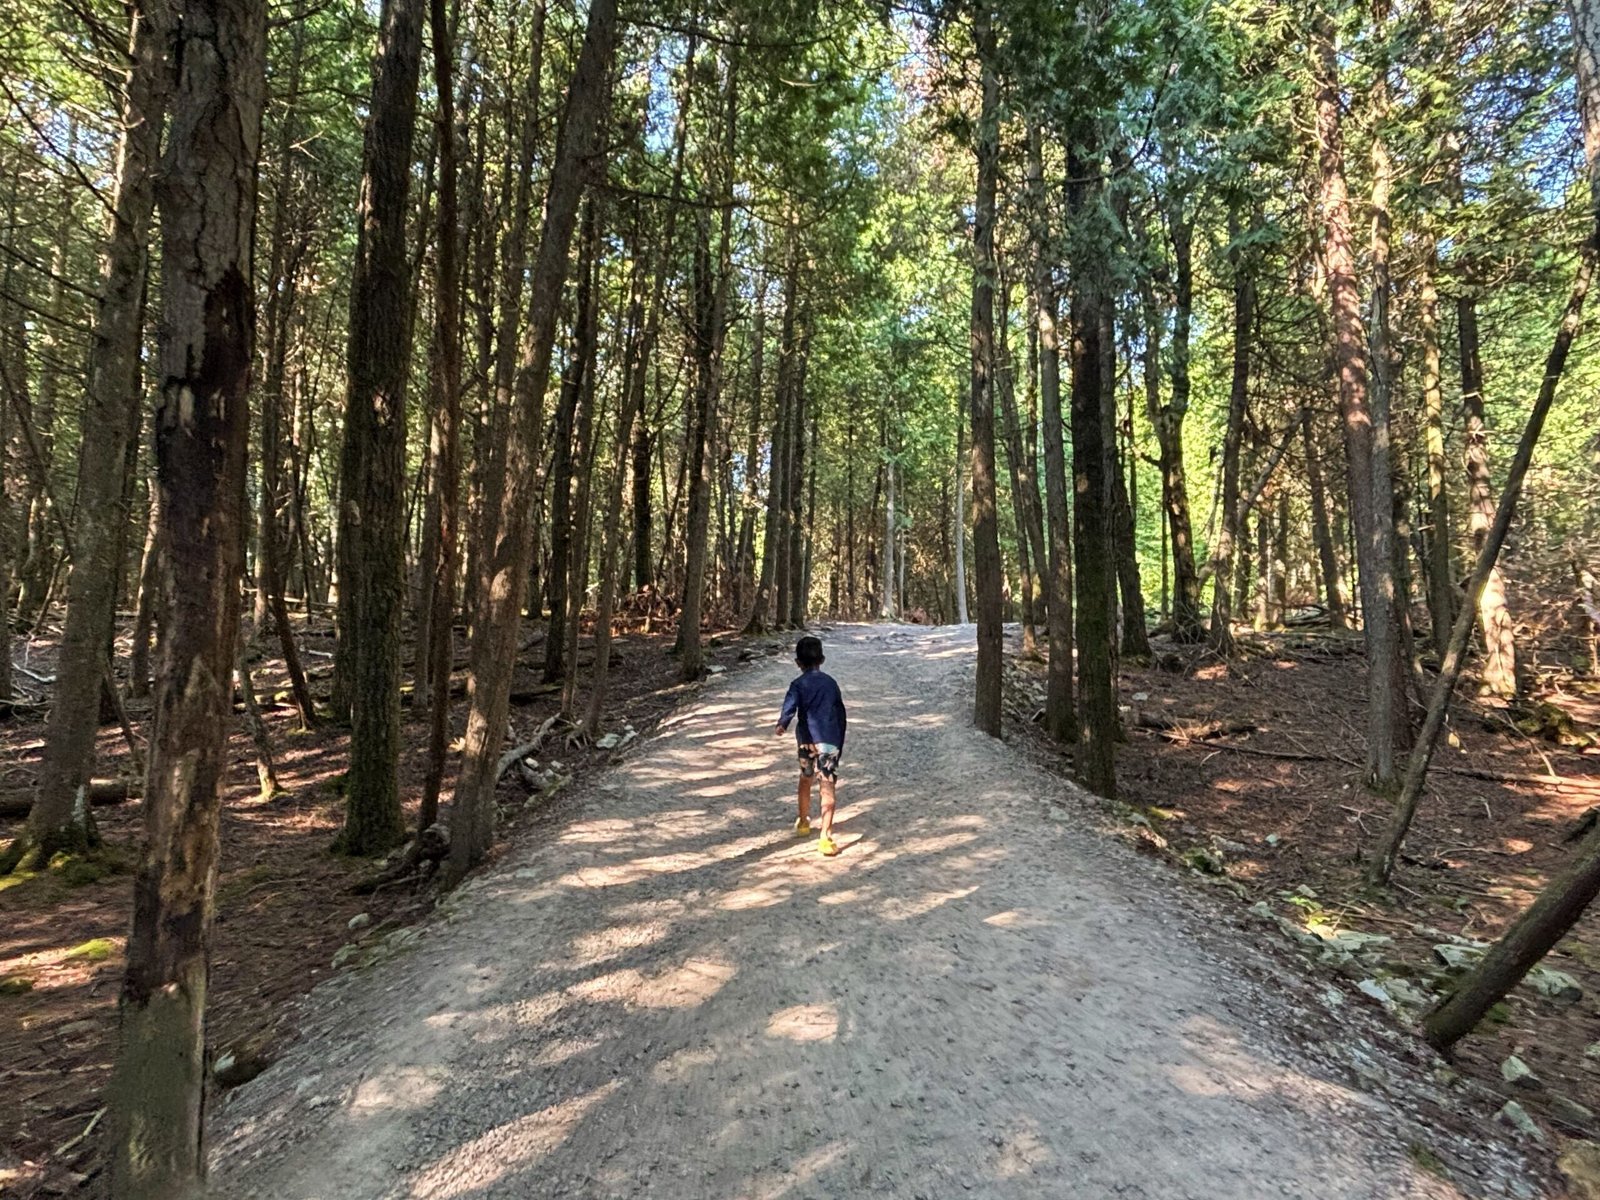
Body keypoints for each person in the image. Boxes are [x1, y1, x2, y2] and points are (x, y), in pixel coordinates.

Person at [775, 635, 847, 856]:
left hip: (806, 741)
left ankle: (804, 822)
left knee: (806, 778)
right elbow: (840, 713)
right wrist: (838, 739)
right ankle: (825, 837)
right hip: (828, 741)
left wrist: (782, 724)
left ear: (798, 663)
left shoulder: (797, 684)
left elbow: (789, 707)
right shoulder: (831, 683)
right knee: (827, 784)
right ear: (822, 660)